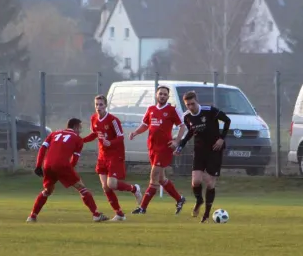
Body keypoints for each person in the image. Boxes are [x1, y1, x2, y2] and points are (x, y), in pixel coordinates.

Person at [27, 118, 108, 223]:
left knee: (47, 191)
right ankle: (96, 215)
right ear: (75, 127)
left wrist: (38, 165)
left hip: (47, 165)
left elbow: (43, 148)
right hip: (62, 165)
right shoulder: (78, 139)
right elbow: (74, 159)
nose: (80, 130)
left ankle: (32, 216)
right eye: (80, 128)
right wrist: (69, 170)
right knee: (81, 188)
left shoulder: (54, 134)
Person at [129, 85, 187, 215]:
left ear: (168, 96)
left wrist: (177, 141)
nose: (162, 96)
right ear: (156, 95)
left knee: (154, 177)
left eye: (165, 94)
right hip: (152, 147)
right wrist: (135, 132)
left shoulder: (172, 110)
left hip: (164, 148)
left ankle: (142, 208)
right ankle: (179, 199)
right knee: (161, 179)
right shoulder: (151, 109)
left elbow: (182, 126)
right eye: (160, 94)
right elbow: (145, 125)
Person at [83, 95, 142, 221]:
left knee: (112, 184)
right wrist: (81, 141)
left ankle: (134, 189)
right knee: (105, 187)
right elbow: (94, 134)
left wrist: (110, 143)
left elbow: (120, 137)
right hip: (102, 156)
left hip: (115, 154)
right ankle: (119, 214)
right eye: (96, 104)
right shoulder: (94, 118)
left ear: (106, 105)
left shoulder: (113, 120)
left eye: (101, 104)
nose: (98, 107)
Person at [175, 91, 231, 223]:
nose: (191, 107)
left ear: (197, 101)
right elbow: (190, 132)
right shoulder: (187, 116)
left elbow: (227, 121)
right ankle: (199, 200)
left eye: (193, 104)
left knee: (210, 183)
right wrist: (181, 146)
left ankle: (206, 215)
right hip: (199, 150)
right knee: (196, 181)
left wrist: (221, 139)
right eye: (188, 105)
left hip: (214, 150)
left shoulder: (209, 110)